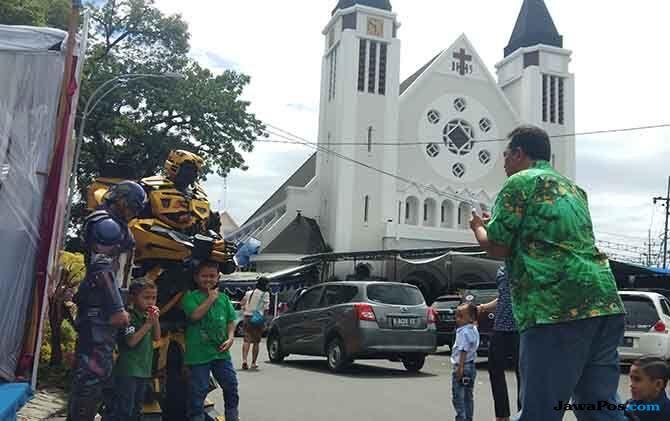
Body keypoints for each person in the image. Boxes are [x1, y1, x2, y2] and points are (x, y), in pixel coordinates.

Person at [469, 125, 626, 421]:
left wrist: (478, 226)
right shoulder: (574, 189)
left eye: (505, 155)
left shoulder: (519, 182)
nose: (503, 162)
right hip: (604, 301)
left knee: (539, 411)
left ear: (518, 153)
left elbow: (497, 247)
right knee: (598, 406)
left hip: (555, 307)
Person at [68, 181, 147, 421]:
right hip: (100, 309)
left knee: (97, 372)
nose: (134, 211)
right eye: (133, 205)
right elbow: (102, 266)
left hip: (102, 307)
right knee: (93, 372)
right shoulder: (107, 224)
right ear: (121, 200)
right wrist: (116, 307)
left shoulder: (112, 223)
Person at [181, 261, 239, 421]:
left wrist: (231, 337)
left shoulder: (224, 298)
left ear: (218, 277)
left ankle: (232, 417)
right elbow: (194, 315)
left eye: (212, 276)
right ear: (196, 277)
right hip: (198, 354)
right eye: (204, 276)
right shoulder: (189, 297)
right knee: (198, 391)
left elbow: (231, 320)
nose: (208, 279)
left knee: (231, 386)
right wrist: (211, 298)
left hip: (221, 353)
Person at [104, 280, 161, 421]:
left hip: (143, 370)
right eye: (146, 297)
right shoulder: (129, 317)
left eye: (153, 298)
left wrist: (155, 320)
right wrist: (148, 324)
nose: (150, 302)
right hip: (128, 370)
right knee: (124, 409)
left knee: (137, 409)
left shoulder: (147, 317)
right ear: (133, 298)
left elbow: (157, 337)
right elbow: (131, 341)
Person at [478, 266, 520, 421]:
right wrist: (483, 307)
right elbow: (503, 297)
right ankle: (502, 415)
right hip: (500, 327)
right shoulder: (501, 270)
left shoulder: (523, 264)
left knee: (522, 373)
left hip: (519, 328)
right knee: (495, 370)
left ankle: (524, 413)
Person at [451, 303, 480, 421]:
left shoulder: (463, 332)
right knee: (468, 396)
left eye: (461, 316)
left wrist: (460, 368)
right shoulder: (473, 329)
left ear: (471, 318)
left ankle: (461, 418)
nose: (457, 318)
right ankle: (468, 418)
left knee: (458, 396)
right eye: (457, 315)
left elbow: (463, 350)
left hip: (462, 366)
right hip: (471, 367)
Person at [240, 277, 270, 370]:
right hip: (257, 319)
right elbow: (266, 309)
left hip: (247, 317)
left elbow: (242, 303)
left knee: (246, 340)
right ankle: (253, 362)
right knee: (256, 342)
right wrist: (265, 321)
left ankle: (244, 360)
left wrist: (246, 309)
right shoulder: (265, 294)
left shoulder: (249, 293)